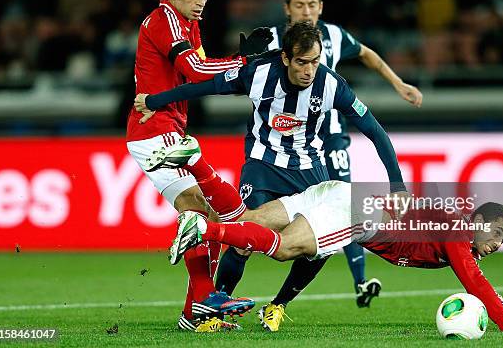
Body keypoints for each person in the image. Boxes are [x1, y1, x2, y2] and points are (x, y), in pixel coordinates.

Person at [145, 135, 503, 333]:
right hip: (354, 211)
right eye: (495, 232)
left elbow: (483, 283)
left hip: (336, 191)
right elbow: (476, 283)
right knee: (283, 250)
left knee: (247, 219)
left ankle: (198, 163)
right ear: (477, 220)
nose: (496, 243)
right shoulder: (456, 233)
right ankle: (202, 226)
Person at [134, 21, 409, 330]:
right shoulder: (259, 73)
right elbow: (206, 87)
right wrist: (154, 101)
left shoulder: (332, 85)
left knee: (322, 245)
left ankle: (278, 305)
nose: (309, 70)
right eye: (302, 62)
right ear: (286, 58)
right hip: (262, 165)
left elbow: (374, 130)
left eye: (315, 62)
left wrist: (397, 185)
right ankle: (215, 307)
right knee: (243, 234)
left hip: (308, 168)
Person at [225, 0, 423, 311]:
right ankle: (223, 290)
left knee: (339, 207)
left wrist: (397, 82)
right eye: (300, 5)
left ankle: (358, 281)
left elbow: (367, 54)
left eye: (312, 5)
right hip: (283, 144)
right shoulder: (274, 38)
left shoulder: (334, 35)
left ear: (321, 8)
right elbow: (240, 71)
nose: (306, 11)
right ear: (287, 9)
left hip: (331, 135)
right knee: (258, 222)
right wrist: (241, 57)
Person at [125, 0, 272, 333]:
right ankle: (203, 302)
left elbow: (204, 72)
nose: (201, 0)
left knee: (205, 213)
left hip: (167, 126)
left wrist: (242, 69)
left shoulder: (189, 23)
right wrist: (245, 63)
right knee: (197, 207)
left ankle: (197, 313)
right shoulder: (166, 20)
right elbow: (195, 71)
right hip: (152, 130)